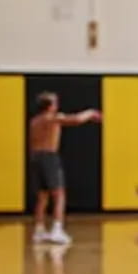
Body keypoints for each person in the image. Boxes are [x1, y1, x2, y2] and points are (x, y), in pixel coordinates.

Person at [28, 92, 101, 244]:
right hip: (49, 157)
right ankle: (57, 230)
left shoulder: (34, 121)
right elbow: (75, 120)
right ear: (49, 106)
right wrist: (91, 112)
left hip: (35, 158)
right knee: (59, 194)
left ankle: (39, 231)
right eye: (54, 102)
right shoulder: (51, 118)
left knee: (42, 197)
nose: (57, 104)